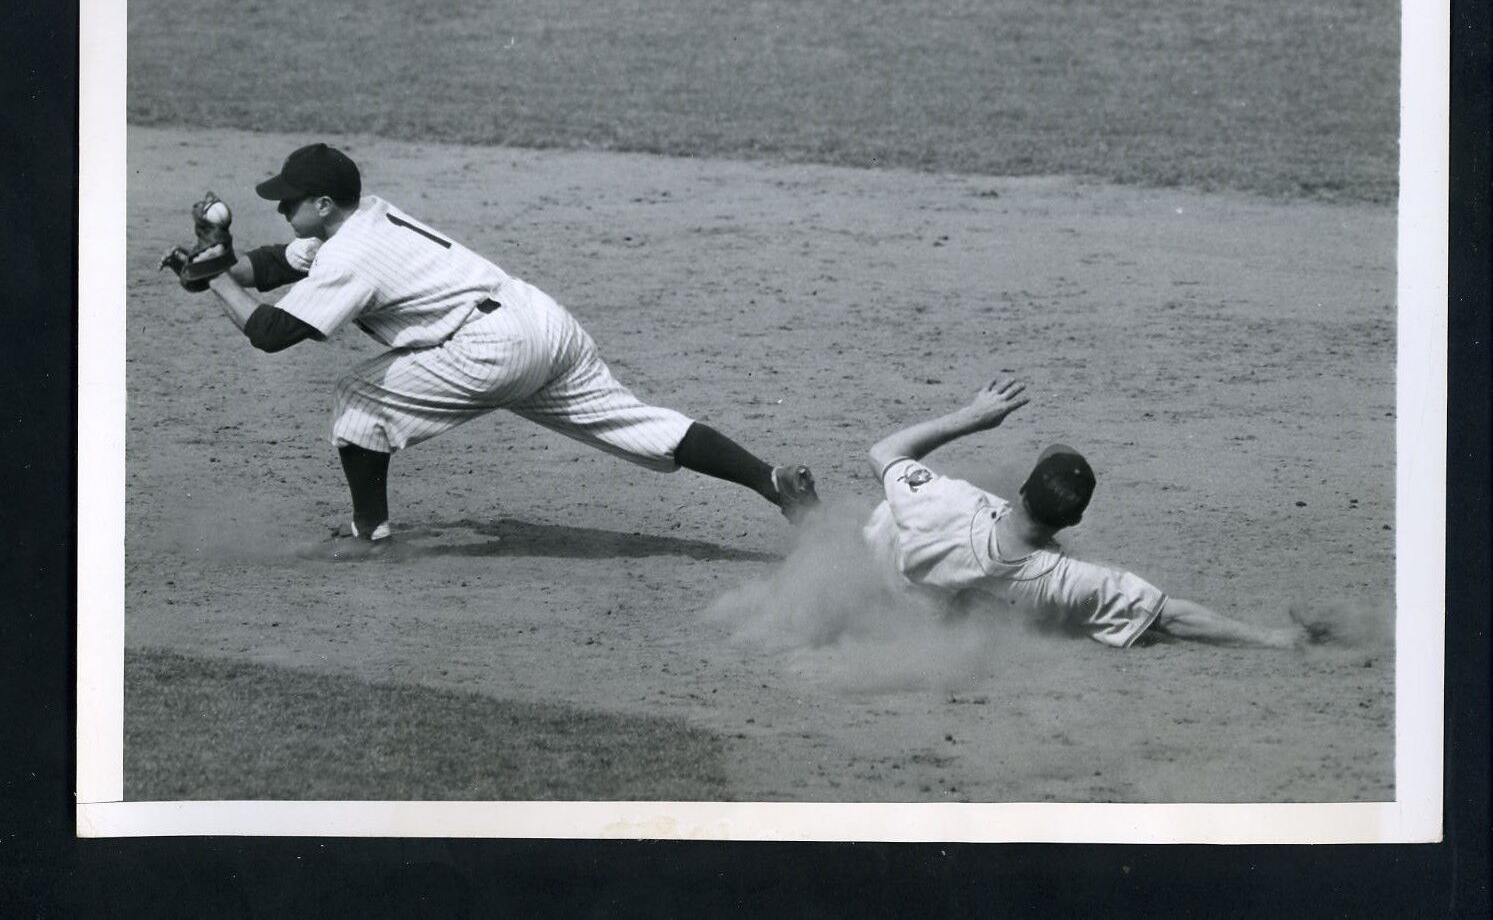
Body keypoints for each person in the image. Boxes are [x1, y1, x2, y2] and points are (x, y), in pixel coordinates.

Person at [161, 143, 820, 547]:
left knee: (357, 405)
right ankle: (773, 483)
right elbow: (274, 263)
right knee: (639, 425)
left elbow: (269, 333)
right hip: (544, 325)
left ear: (325, 203)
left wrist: (214, 275)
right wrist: (218, 262)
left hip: (488, 348)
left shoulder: (351, 254)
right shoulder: (367, 218)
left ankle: (369, 531)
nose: (282, 208)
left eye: (290, 200)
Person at [861, 376, 1329, 648]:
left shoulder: (949, 504)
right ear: (1074, 520)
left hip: (874, 568)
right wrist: (1276, 638)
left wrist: (975, 416)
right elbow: (1174, 616)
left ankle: (803, 506)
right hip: (912, 623)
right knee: (1136, 626)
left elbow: (886, 451)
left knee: (876, 525)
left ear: (1023, 487)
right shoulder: (1067, 581)